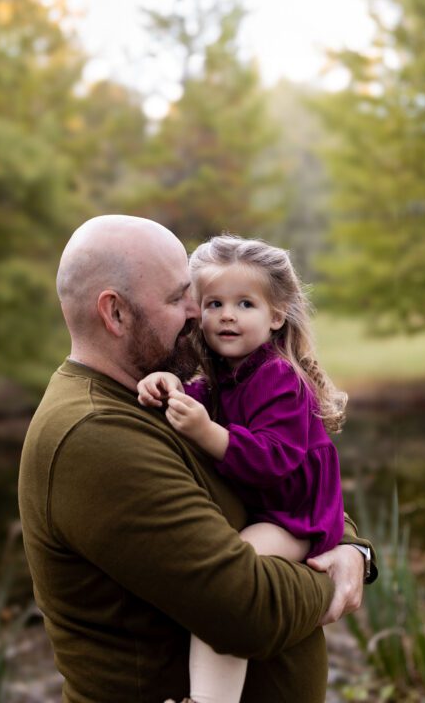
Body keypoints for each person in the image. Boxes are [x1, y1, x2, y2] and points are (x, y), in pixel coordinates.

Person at [18, 215, 374, 703]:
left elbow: (286, 479)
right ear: (115, 314)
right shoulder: (96, 435)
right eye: (177, 298)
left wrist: (354, 548)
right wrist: (331, 575)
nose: (198, 313)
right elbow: (245, 611)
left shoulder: (169, 398)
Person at [138, 234, 348, 703]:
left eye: (245, 303)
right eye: (214, 302)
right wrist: (166, 384)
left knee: (229, 586)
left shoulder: (276, 375)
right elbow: (196, 401)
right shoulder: (222, 371)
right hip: (270, 508)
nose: (227, 314)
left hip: (293, 515)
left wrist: (206, 432)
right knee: (225, 582)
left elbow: (275, 458)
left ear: (276, 316)